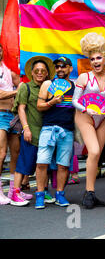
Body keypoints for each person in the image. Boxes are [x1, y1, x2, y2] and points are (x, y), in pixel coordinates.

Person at [72, 32, 105, 209]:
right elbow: (75, 100)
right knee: (94, 151)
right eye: (92, 59)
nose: (96, 62)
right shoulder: (84, 78)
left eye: (99, 58)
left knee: (96, 156)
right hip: (85, 116)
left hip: (103, 119)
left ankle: (92, 192)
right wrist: (85, 108)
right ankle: (88, 193)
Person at [10, 56, 55, 206]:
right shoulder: (25, 87)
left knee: (45, 164)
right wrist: (26, 129)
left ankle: (44, 191)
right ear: (32, 72)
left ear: (47, 73)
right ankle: (15, 192)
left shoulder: (51, 87)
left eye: (43, 71)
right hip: (31, 132)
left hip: (47, 133)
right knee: (24, 163)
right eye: (37, 71)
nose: (40, 73)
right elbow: (21, 109)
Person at [34, 56, 75, 209]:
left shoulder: (75, 87)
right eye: (57, 67)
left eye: (63, 66)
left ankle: (60, 194)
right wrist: (52, 102)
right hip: (48, 128)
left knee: (63, 165)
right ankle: (40, 195)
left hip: (67, 130)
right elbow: (39, 106)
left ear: (70, 68)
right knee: (42, 163)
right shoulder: (47, 83)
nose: (60, 69)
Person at [0, 43, 21, 204]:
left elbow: (20, 83)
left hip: (12, 116)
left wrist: (21, 87)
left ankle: (14, 190)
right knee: (1, 154)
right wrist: (17, 91)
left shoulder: (8, 70)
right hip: (0, 116)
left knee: (15, 153)